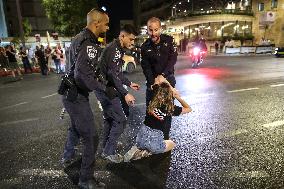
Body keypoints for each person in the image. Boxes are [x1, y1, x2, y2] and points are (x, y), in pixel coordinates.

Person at [61, 8, 109, 189]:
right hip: (76, 95)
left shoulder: (77, 38)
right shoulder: (89, 43)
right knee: (91, 137)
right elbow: (82, 76)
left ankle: (67, 157)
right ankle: (85, 179)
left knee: (75, 127)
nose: (107, 27)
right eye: (105, 23)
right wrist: (103, 88)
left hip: (69, 93)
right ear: (96, 23)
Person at [95, 24, 140, 163]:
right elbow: (113, 75)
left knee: (110, 119)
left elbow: (118, 73)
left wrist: (128, 83)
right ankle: (109, 151)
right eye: (131, 39)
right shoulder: (114, 50)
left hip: (103, 87)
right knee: (120, 119)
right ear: (122, 36)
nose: (133, 42)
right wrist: (125, 93)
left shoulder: (117, 49)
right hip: (106, 89)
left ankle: (106, 147)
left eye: (134, 40)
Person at [124, 77, 192, 162]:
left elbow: (158, 78)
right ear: (169, 95)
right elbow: (189, 109)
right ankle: (146, 152)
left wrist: (168, 89)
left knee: (146, 136)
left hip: (141, 136)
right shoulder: (169, 108)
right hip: (154, 140)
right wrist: (177, 96)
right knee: (172, 144)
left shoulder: (152, 99)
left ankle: (138, 148)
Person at [141, 17, 178, 140]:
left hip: (167, 80)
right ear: (147, 30)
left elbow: (172, 59)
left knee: (166, 111)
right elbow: (145, 66)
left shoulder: (169, 40)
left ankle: (165, 138)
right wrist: (152, 81)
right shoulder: (144, 46)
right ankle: (151, 139)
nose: (153, 33)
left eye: (156, 30)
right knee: (151, 111)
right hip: (152, 82)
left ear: (160, 29)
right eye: (150, 30)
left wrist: (162, 74)